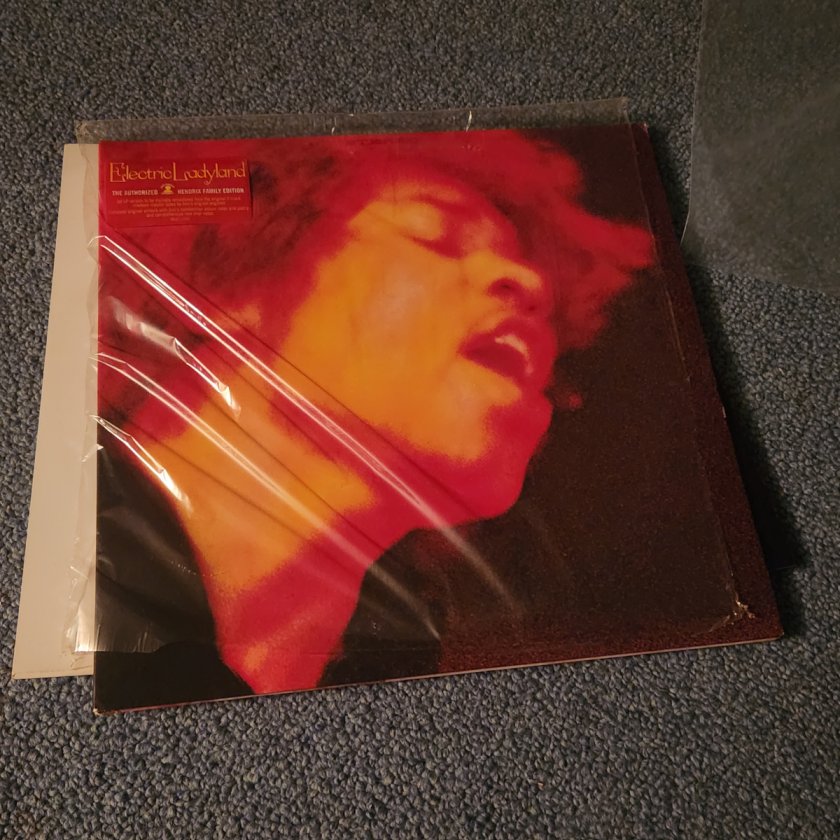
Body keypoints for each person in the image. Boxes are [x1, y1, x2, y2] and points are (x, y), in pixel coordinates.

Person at [96, 128, 652, 700]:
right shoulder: (71, 550)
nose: (533, 283)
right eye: (434, 234)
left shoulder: (401, 667)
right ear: (229, 284)